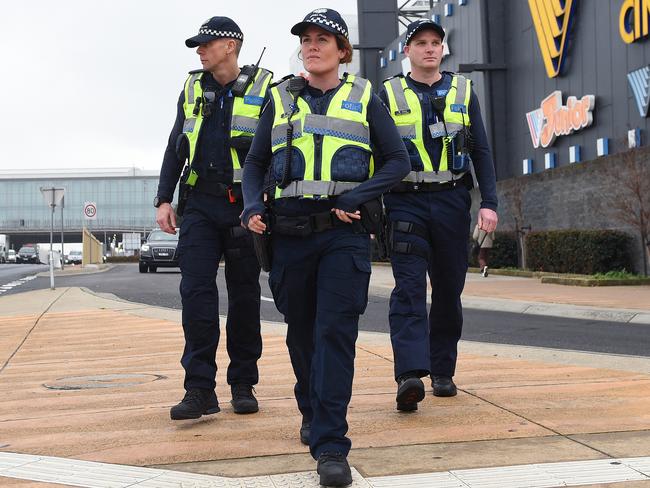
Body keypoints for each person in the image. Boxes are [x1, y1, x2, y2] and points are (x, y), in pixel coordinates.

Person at [242, 8, 409, 486]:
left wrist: (356, 196)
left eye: (323, 39)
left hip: (344, 234)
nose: (312, 45)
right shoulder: (278, 99)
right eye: (306, 39)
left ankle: (332, 444)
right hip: (289, 233)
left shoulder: (364, 97)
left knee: (335, 334)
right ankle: (311, 409)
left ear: (342, 51)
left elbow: (397, 161)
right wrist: (252, 204)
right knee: (301, 333)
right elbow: (255, 163)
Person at [155, 16, 272, 421]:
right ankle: (199, 388)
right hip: (200, 204)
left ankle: (243, 383)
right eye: (198, 45)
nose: (200, 50)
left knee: (244, 297)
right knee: (196, 295)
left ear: (231, 45)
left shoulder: (266, 89)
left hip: (244, 206)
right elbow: (175, 146)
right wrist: (163, 199)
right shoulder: (191, 88)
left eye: (207, 43)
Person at [379, 19, 498, 411]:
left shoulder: (464, 90)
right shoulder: (387, 93)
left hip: (452, 200)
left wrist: (490, 203)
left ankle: (443, 370)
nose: (429, 49)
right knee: (409, 289)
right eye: (420, 43)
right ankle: (409, 375)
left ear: (443, 49)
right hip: (405, 201)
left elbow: (481, 149)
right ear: (407, 51)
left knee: (448, 290)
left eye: (435, 42)